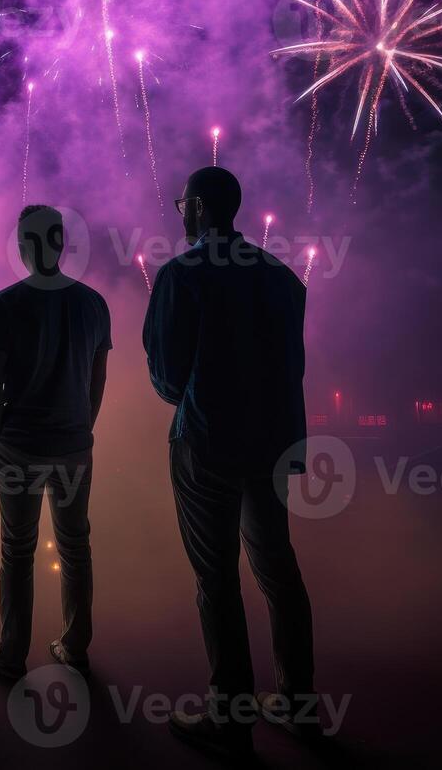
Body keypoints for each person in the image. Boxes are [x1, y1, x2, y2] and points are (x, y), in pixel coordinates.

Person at [142, 167, 315, 761]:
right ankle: (298, 704)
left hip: (207, 441)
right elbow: (292, 367)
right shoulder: (281, 278)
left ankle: (229, 715)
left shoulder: (180, 274)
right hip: (271, 442)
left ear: (195, 210)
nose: (178, 210)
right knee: (277, 569)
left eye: (181, 203)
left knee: (216, 579)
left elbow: (167, 379)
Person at [0, 205, 111, 678]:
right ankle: (75, 645)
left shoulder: (7, 304)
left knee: (18, 549)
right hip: (74, 445)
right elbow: (97, 383)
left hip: (20, 446)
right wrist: (81, 428)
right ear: (61, 242)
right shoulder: (94, 303)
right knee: (76, 546)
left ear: (23, 245)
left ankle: (12, 654)